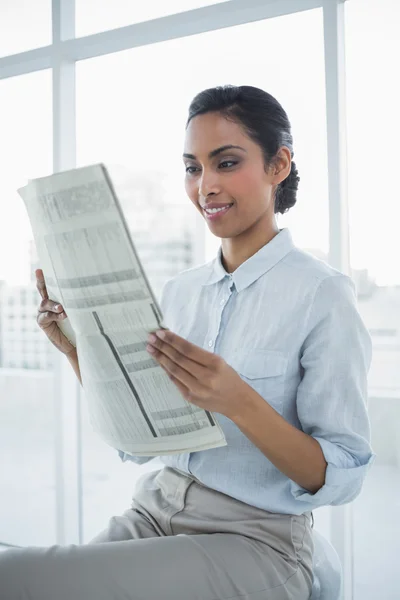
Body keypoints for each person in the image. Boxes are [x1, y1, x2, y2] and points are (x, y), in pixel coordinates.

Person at [0, 85, 374, 600]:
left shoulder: (322, 294)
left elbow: (342, 475)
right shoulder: (182, 292)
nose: (206, 186)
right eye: (193, 168)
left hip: (252, 540)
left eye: (225, 162)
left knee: (18, 578)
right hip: (153, 511)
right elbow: (140, 439)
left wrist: (239, 401)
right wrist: (77, 352)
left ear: (278, 165)